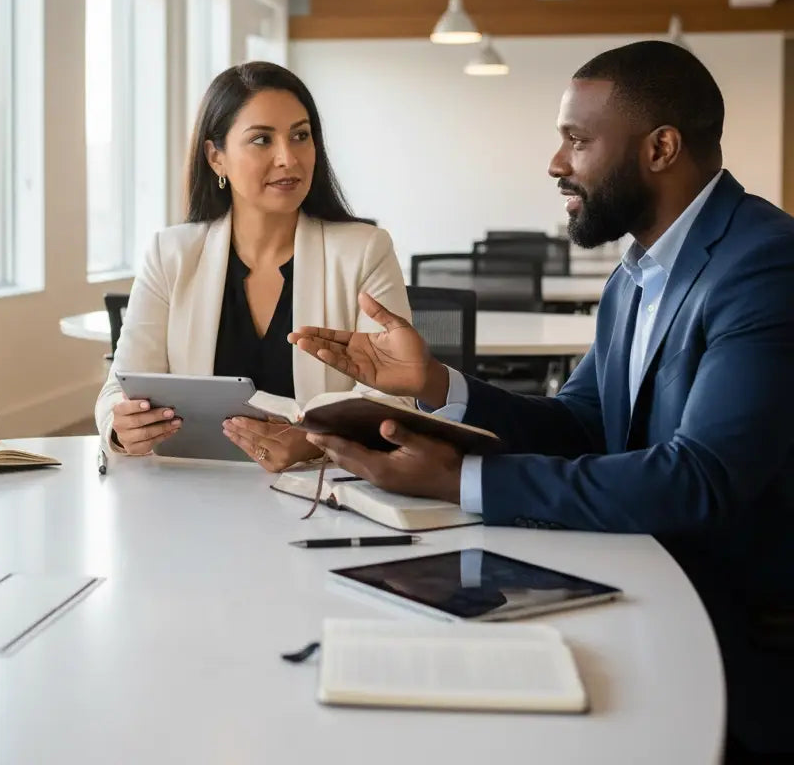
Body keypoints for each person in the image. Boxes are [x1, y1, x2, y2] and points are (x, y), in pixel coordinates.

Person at [290, 40, 794, 758]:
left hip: (733, 637)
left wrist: (462, 481)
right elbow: (580, 423)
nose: (556, 163)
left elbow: (701, 478)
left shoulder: (765, 263)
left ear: (660, 148)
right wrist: (434, 385)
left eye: (577, 141)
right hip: (641, 576)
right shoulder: (636, 274)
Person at [95, 61, 411, 471]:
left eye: (300, 136)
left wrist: (312, 444)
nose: (288, 158)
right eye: (262, 139)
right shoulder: (171, 254)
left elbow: (395, 399)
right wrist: (123, 428)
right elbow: (116, 393)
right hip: (196, 486)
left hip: (319, 488)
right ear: (216, 157)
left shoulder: (364, 250)